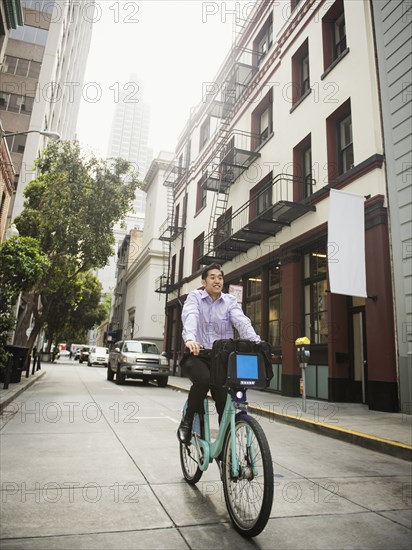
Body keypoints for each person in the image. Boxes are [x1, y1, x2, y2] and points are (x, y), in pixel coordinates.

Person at [177, 263, 261, 444]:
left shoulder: (230, 301)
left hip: (222, 359)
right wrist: (190, 339)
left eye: (220, 277)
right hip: (197, 355)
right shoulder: (195, 297)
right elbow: (190, 315)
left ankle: (226, 448)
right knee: (204, 379)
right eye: (212, 277)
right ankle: (188, 420)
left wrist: (256, 341)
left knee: (225, 399)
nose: (217, 281)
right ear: (204, 281)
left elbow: (241, 321)